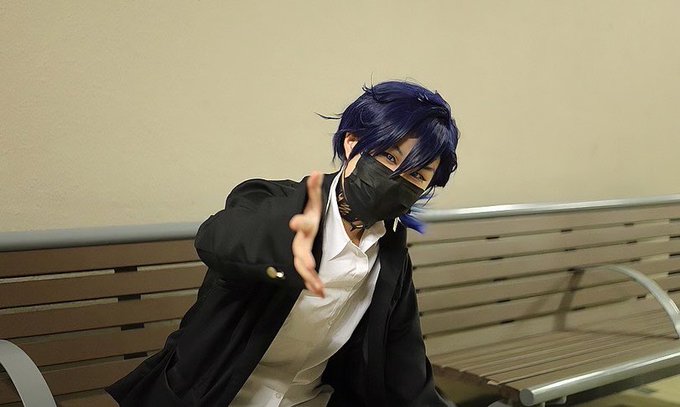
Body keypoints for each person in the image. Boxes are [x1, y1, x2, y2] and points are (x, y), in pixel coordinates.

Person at [105, 80, 460, 406]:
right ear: (353, 143)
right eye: (389, 157)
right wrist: (283, 243)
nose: (397, 177)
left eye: (417, 174)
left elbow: (404, 363)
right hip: (215, 397)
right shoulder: (274, 202)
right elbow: (218, 237)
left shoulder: (389, 251)